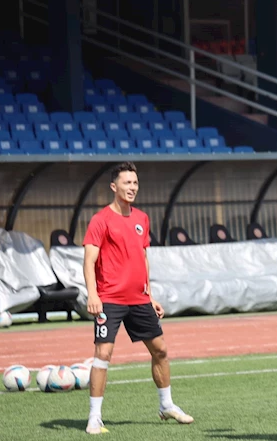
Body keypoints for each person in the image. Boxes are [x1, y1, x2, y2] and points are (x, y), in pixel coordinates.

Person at [83, 162, 193, 435]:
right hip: (109, 298)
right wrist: (93, 294)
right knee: (103, 353)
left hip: (139, 299)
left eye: (135, 183)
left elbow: (142, 258)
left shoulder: (142, 218)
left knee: (161, 351)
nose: (132, 188)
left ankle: (166, 405)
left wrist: (150, 294)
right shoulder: (100, 220)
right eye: (126, 183)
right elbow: (89, 260)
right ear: (114, 186)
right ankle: (94, 418)